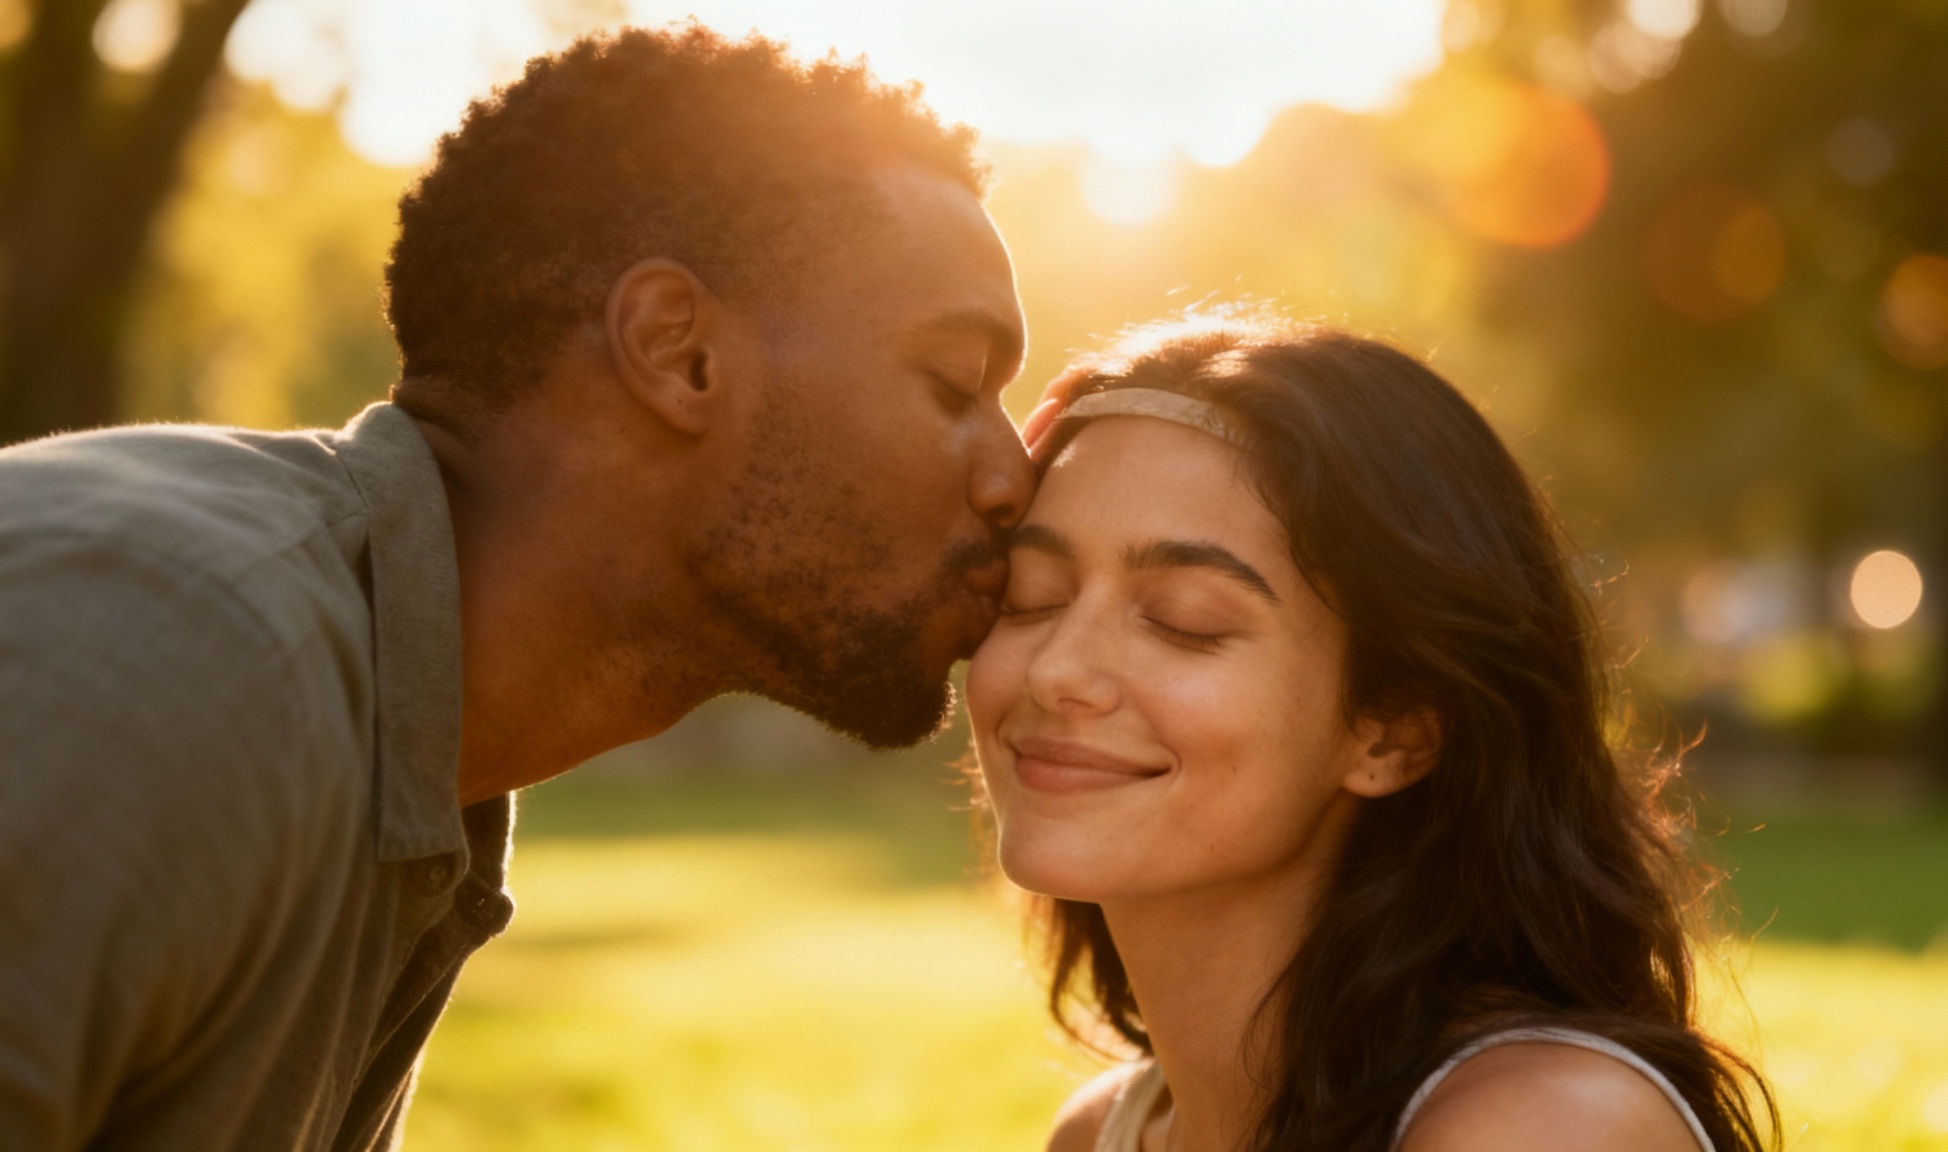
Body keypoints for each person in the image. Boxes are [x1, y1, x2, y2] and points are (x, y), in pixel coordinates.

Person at [0, 25, 1031, 1152]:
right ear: (677, 351)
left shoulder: (412, 781)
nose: (1013, 475)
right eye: (952, 383)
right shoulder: (173, 647)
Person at [967, 314, 1776, 1152]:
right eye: (1030, 596)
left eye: (1184, 621)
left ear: (1395, 732)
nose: (1056, 669)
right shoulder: (1102, 1135)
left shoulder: (1540, 1127)